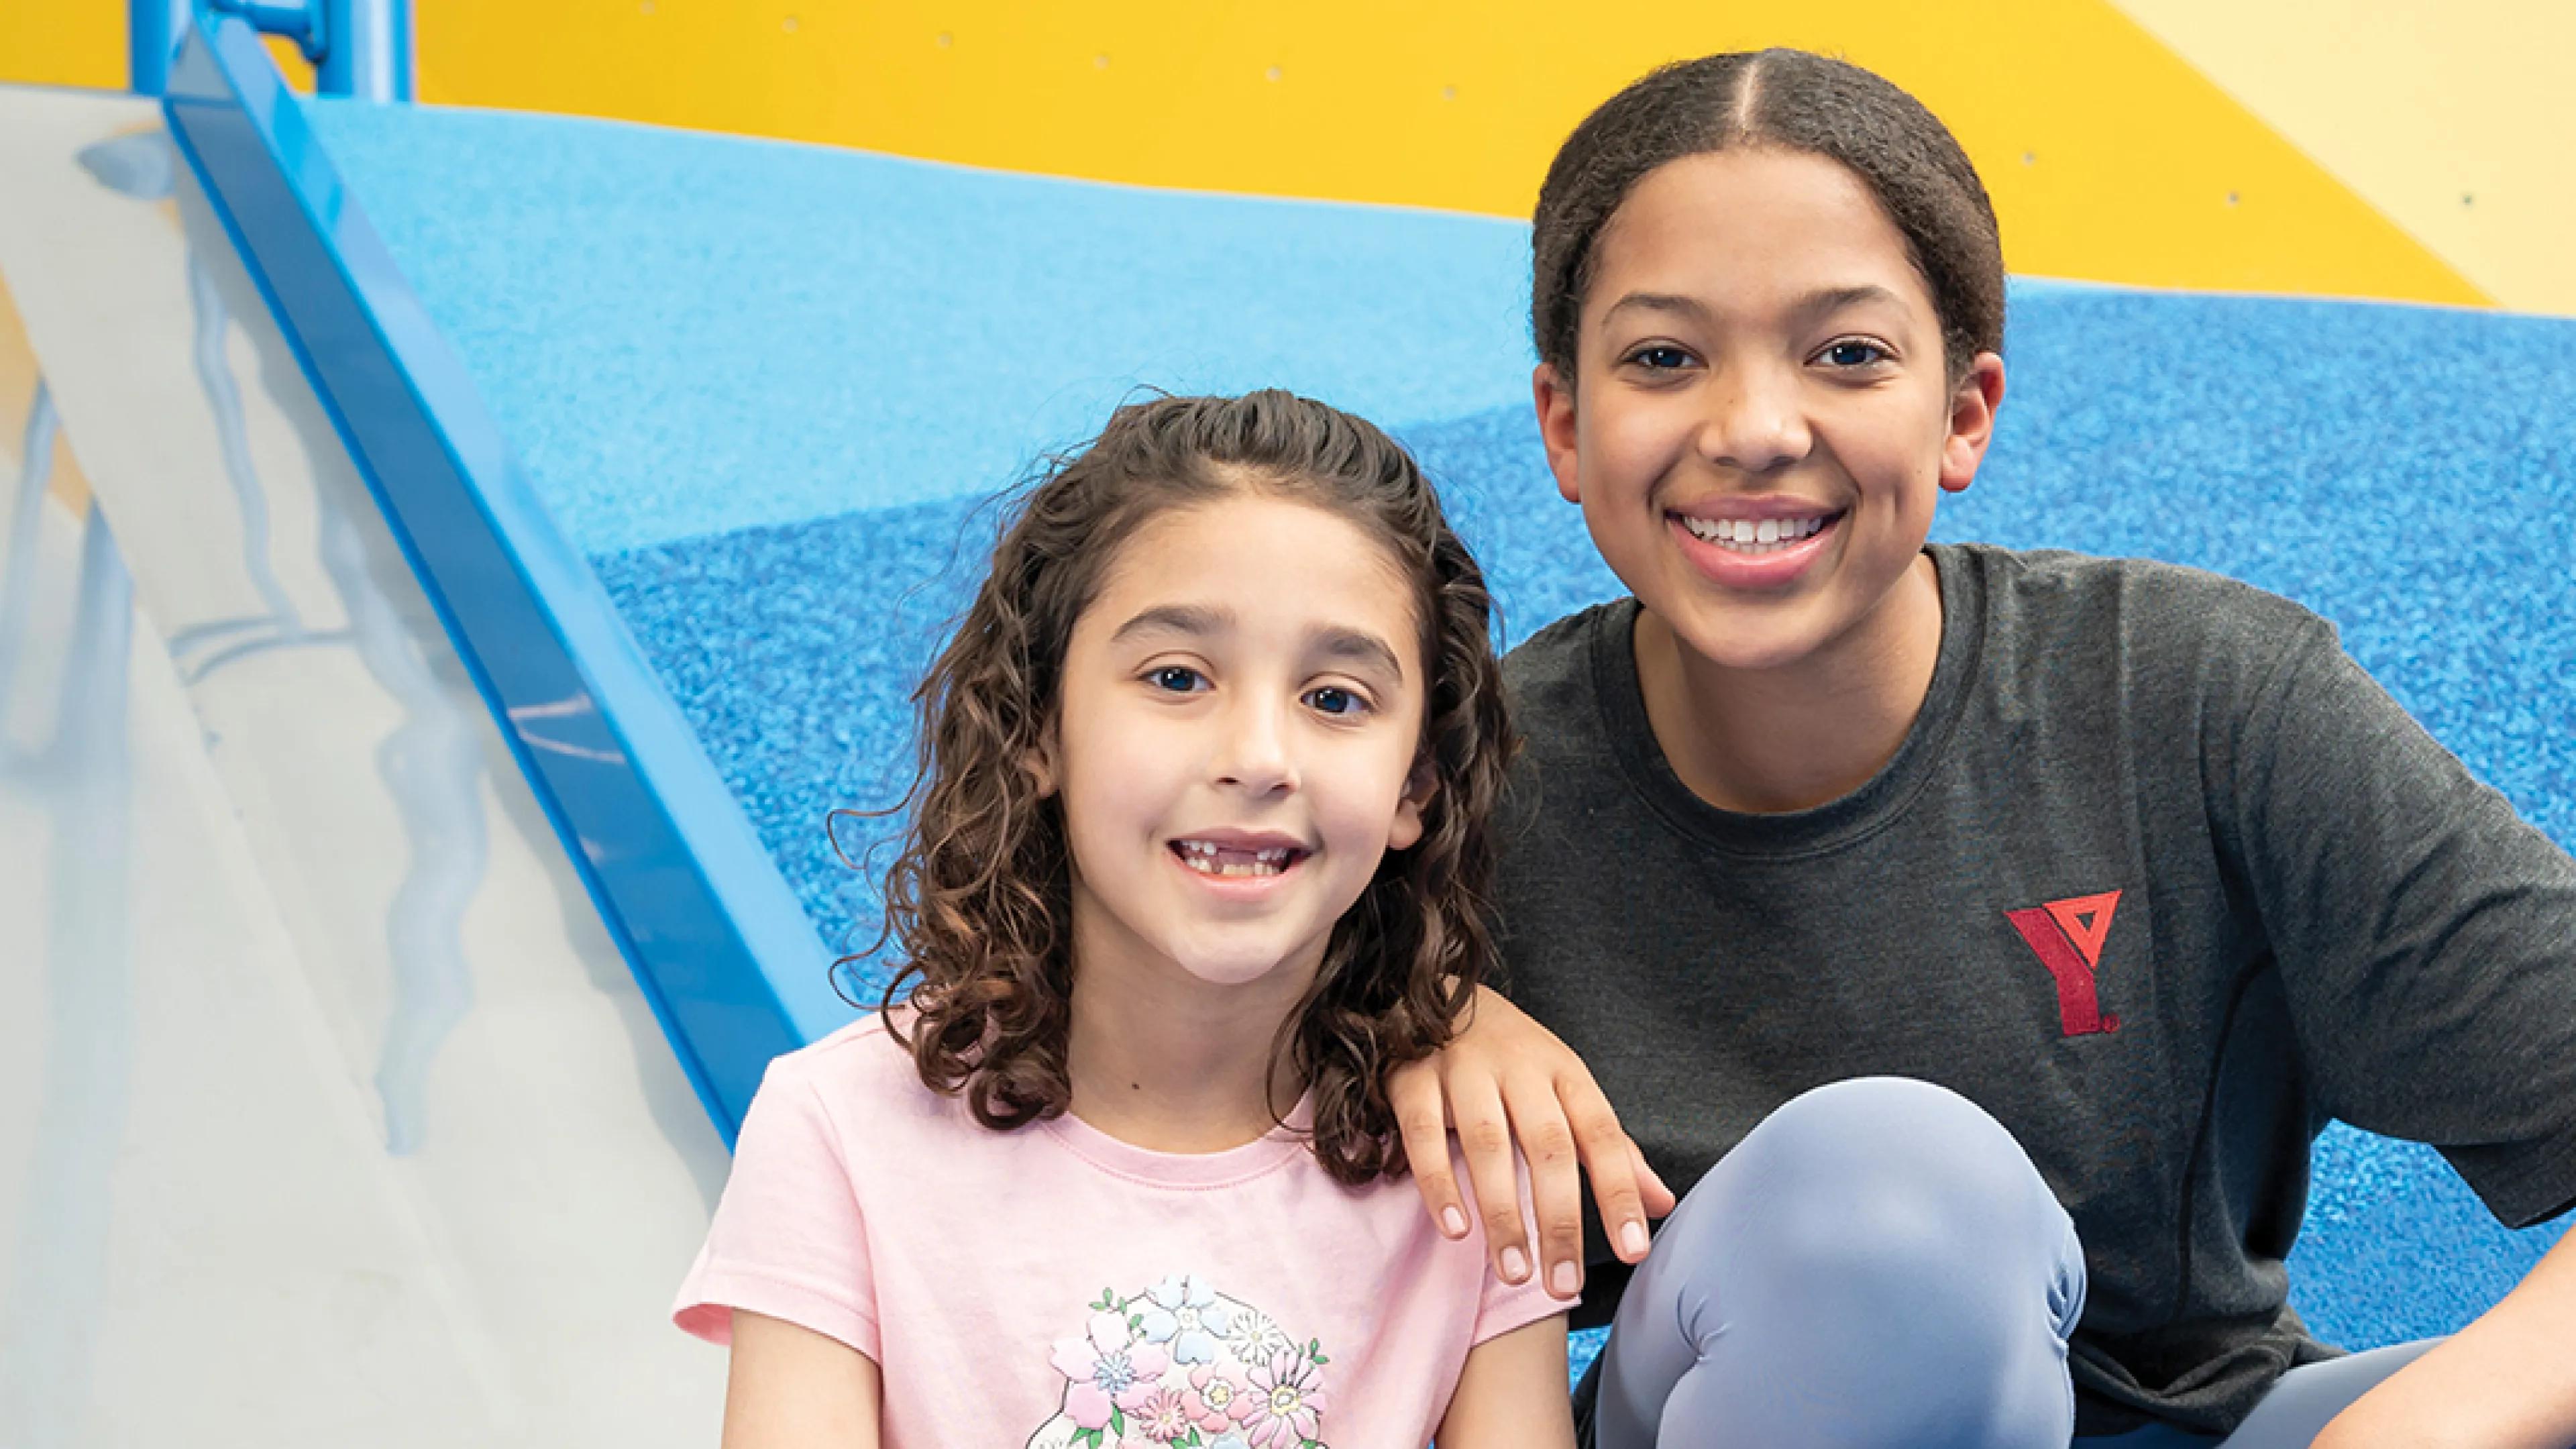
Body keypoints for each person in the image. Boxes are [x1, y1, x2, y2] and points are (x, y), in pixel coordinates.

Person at [1384, 48, 2576, 1449]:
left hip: (2196, 1419)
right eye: (1664, 357)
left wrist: (2412, 1434)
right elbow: (1135, 1092)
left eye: (1847, 354)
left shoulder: (2194, 700)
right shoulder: (1452, 792)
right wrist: (1408, 1009)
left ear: (1963, 414)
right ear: (1567, 428)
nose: (1756, 428)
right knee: (1893, 1203)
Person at [673, 390, 1577, 1448]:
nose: (1259, 757)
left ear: (1415, 785)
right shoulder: (841, 1130)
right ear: (1037, 728)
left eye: (1335, 698)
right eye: (1178, 677)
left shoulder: (1465, 1168)